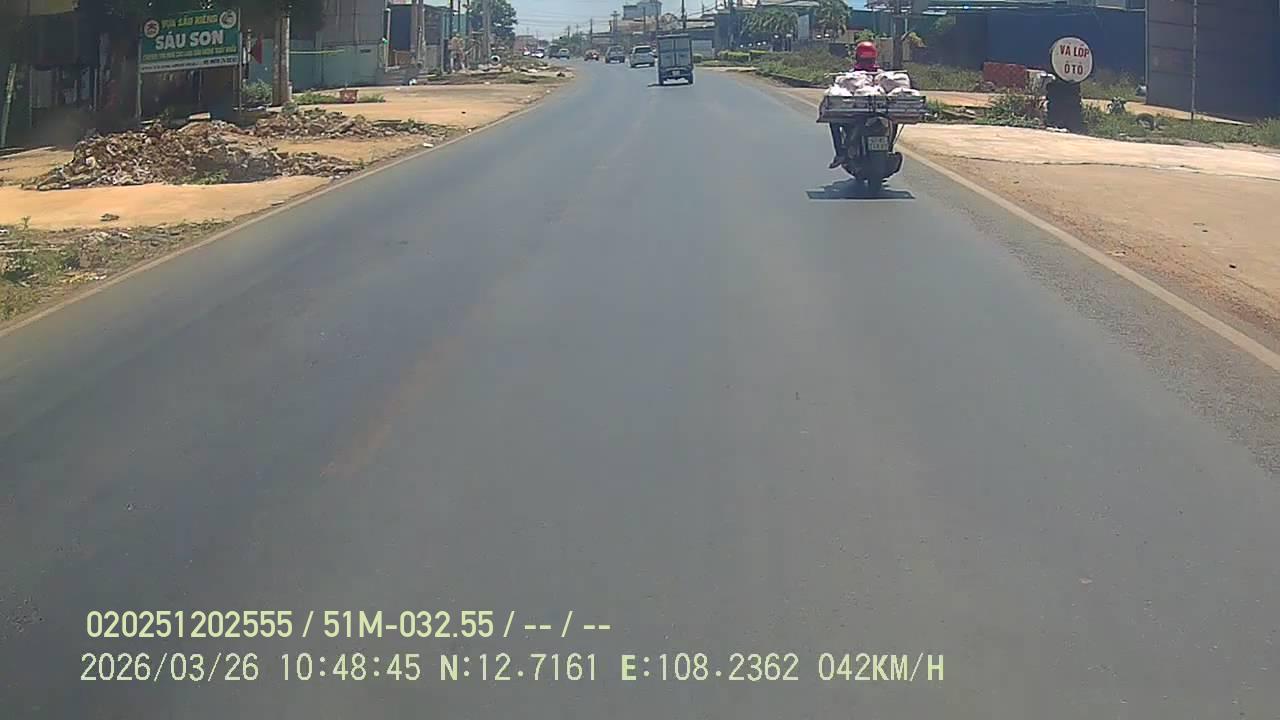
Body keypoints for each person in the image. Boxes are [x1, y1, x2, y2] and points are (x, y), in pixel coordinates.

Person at [830, 41, 883, 168]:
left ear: (857, 56)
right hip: (882, 111)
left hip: (858, 113)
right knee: (893, 122)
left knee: (834, 122)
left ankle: (840, 153)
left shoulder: (851, 75)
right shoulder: (881, 74)